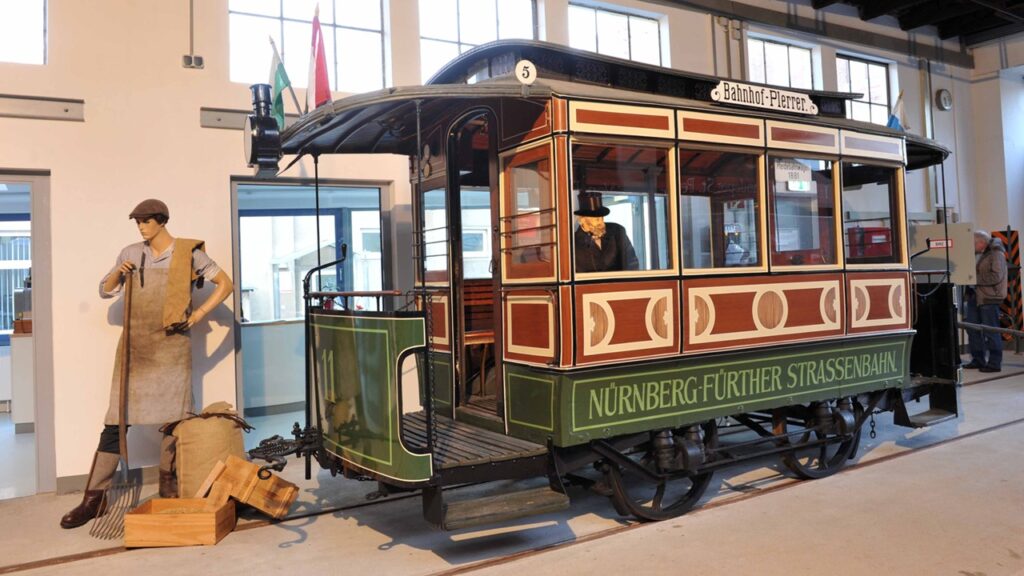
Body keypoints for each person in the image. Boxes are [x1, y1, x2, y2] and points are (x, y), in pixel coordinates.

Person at [60, 199, 233, 529]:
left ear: (162, 221)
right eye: (137, 222)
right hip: (135, 350)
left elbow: (225, 284)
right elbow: (104, 290)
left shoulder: (188, 254)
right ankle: (94, 500)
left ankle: (169, 490)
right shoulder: (130, 253)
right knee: (116, 421)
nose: (141, 227)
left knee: (174, 420)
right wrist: (117, 273)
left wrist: (198, 314)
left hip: (172, 348)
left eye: (146, 221)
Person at [963, 230, 1007, 373]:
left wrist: (973, 279)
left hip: (989, 297)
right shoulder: (978, 254)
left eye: (973, 244)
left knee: (991, 331)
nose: (971, 247)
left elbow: (996, 277)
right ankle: (978, 359)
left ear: (982, 242)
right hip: (974, 296)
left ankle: (994, 363)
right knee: (972, 329)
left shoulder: (996, 254)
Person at [573, 191, 640, 273]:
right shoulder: (573, 243)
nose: (601, 222)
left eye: (602, 218)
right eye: (597, 219)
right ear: (582, 220)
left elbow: (632, 263)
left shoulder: (617, 231)